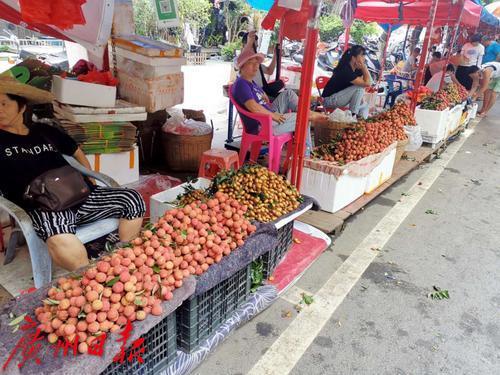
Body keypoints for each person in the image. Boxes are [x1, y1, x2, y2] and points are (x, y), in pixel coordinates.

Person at [0, 76, 146, 271]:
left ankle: (125, 258)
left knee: (132, 199)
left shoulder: (43, 131)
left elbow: (75, 150)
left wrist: (90, 176)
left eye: (3, 103)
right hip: (43, 207)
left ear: (22, 106)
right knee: (59, 236)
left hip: (78, 194)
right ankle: (90, 278)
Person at [231, 48, 327, 157]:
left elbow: (261, 98)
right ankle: (306, 156)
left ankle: (309, 113)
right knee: (303, 118)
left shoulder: (250, 82)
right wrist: (273, 115)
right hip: (262, 124)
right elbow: (253, 107)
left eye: (256, 63)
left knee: (288, 94)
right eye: (251, 63)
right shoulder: (241, 84)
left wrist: (264, 95)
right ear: (242, 66)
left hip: (269, 115)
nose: (256, 66)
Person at [321, 45, 372, 118]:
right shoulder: (345, 69)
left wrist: (364, 68)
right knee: (359, 88)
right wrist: (364, 67)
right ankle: (352, 117)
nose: (364, 59)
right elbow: (366, 83)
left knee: (365, 106)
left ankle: (360, 126)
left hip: (341, 98)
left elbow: (370, 82)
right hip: (329, 100)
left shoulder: (357, 69)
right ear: (353, 58)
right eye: (362, 56)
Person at [240, 31, 284, 98]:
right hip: (255, 95)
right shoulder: (239, 61)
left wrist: (275, 54)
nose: (254, 50)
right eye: (252, 47)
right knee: (287, 96)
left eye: (256, 47)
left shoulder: (255, 61)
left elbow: (269, 71)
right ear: (244, 45)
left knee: (282, 86)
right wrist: (249, 43)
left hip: (263, 91)